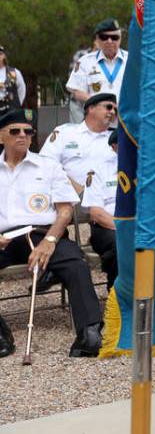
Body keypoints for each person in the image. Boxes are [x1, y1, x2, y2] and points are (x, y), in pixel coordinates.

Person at [0, 109, 103, 357]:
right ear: (1, 136)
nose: (23, 135)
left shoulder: (48, 166)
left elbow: (65, 211)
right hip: (4, 239)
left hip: (43, 233)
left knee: (76, 263)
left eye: (28, 131)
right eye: (16, 131)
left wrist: (50, 240)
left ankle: (90, 332)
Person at [40, 93, 117, 193]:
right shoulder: (65, 132)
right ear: (91, 108)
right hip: (69, 198)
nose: (112, 112)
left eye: (115, 110)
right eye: (109, 107)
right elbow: (46, 163)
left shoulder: (118, 139)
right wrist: (76, 189)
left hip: (107, 201)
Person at [80, 130, 119, 289]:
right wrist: (126, 228)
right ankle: (117, 296)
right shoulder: (99, 170)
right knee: (122, 243)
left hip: (142, 225)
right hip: (107, 227)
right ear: (115, 147)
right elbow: (96, 213)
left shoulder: (148, 170)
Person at [66, 19, 128, 112]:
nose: (110, 41)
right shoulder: (85, 62)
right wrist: (99, 104)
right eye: (104, 37)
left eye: (114, 37)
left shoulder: (132, 60)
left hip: (125, 122)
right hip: (96, 122)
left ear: (120, 38)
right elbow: (77, 92)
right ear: (97, 39)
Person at [0, 45, 26, 113]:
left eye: (0, 54)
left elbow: (22, 89)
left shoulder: (14, 72)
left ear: (4, 56)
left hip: (11, 110)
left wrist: (16, 104)